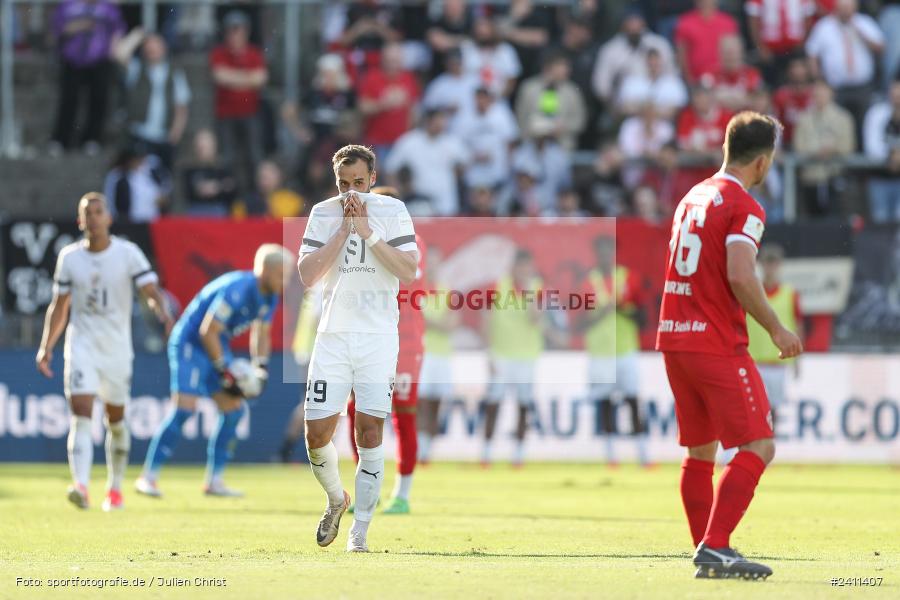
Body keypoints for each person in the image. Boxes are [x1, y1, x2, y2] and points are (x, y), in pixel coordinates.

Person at [656, 111, 803, 579]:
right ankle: (716, 546)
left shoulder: (691, 197)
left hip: (674, 337)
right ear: (762, 163)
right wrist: (777, 327)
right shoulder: (745, 206)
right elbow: (740, 273)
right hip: (715, 342)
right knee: (759, 444)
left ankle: (708, 550)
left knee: (700, 452)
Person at [297, 145, 418, 552]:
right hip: (332, 337)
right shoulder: (322, 213)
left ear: (372, 178)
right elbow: (308, 275)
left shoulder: (392, 211)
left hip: (378, 337)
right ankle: (336, 499)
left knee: (369, 432)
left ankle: (360, 532)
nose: (351, 192)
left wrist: (369, 232)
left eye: (359, 183)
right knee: (316, 434)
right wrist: (343, 232)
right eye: (343, 184)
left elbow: (408, 270)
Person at [36, 192, 173, 511]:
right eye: (88, 213)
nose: (94, 218)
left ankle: (114, 489)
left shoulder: (127, 253)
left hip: (116, 348)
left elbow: (151, 290)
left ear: (108, 218)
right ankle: (81, 486)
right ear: (80, 220)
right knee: (81, 414)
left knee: (116, 419)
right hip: (82, 343)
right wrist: (46, 347)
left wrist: (161, 311)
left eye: (99, 211)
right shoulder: (69, 257)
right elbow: (60, 306)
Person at [135, 244, 292, 498]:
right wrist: (224, 370)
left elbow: (261, 333)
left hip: (215, 346)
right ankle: (148, 477)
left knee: (234, 411)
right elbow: (207, 330)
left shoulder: (270, 297)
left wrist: (260, 367)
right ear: (265, 270)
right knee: (185, 408)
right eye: (282, 275)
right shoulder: (239, 289)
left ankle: (214, 481)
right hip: (191, 343)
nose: (285, 282)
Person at [345, 187, 426, 515]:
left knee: (403, 417)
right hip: (367, 339)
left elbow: (404, 276)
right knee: (357, 413)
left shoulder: (413, 244)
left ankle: (402, 495)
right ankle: (369, 490)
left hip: (405, 343)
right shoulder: (360, 241)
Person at [580, 236, 649, 467]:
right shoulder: (588, 282)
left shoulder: (629, 278)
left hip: (626, 349)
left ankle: (642, 454)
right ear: (595, 253)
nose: (605, 256)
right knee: (606, 403)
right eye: (601, 251)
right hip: (600, 352)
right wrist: (602, 312)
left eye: (609, 251)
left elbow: (643, 317)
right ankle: (611, 455)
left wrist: (621, 309)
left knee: (632, 400)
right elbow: (579, 323)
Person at [481, 249, 544, 467]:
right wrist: (488, 352)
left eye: (528, 267)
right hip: (501, 354)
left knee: (524, 404)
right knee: (494, 402)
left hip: (526, 356)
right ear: (513, 266)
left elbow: (536, 319)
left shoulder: (536, 288)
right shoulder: (497, 286)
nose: (524, 271)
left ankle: (518, 452)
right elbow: (486, 320)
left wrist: (528, 293)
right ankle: (486, 452)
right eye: (521, 266)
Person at [50, 0, 126, 155]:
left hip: (100, 59)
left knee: (98, 99)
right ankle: (61, 139)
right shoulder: (68, 5)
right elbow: (57, 29)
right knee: (69, 99)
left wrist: (114, 47)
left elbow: (118, 28)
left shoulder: (108, 7)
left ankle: (92, 139)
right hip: (73, 59)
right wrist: (79, 25)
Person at [113, 28, 190, 170]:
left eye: (156, 45)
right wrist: (138, 34)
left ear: (164, 47)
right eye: (148, 46)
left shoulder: (175, 72)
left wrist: (174, 136)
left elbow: (181, 107)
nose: (152, 49)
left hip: (163, 137)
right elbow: (119, 54)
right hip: (138, 134)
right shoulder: (136, 69)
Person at [746, 244, 803, 435]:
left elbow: (796, 325)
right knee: (751, 410)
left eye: (774, 263)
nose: (770, 268)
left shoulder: (790, 293)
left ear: (779, 265)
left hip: (778, 362)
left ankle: (769, 446)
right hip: (753, 361)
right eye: (767, 263)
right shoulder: (751, 292)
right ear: (761, 264)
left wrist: (798, 360)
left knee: (774, 410)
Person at [209, 10, 268, 193]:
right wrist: (247, 79)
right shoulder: (219, 53)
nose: (235, 35)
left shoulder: (254, 53)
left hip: (250, 113)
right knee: (228, 157)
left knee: (254, 156)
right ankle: (230, 195)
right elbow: (219, 76)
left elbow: (261, 79)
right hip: (226, 114)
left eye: (238, 30)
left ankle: (253, 195)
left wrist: (233, 79)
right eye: (231, 31)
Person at [805, 0, 884, 132]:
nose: (846, 11)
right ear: (836, 8)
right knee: (837, 125)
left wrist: (861, 32)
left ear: (855, 8)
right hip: (835, 86)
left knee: (864, 125)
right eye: (843, 8)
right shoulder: (824, 26)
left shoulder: (864, 23)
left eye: (849, 8)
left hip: (862, 86)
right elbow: (812, 53)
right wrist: (818, 80)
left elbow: (880, 48)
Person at [384, 109, 469, 216]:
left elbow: (465, 164)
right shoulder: (410, 141)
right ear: (428, 121)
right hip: (420, 202)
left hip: (447, 201)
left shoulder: (452, 142)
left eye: (443, 121)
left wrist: (456, 173)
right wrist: (396, 194)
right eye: (437, 121)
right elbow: (390, 168)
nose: (441, 125)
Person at [417, 246, 458, 464]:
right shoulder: (414, 289)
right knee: (419, 402)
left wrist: (428, 320)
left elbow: (451, 324)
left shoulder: (446, 291)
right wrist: (436, 322)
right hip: (421, 354)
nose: (431, 266)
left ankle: (426, 450)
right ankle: (417, 449)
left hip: (442, 355)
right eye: (428, 262)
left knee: (435, 404)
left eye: (435, 262)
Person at [357, 42, 421, 160]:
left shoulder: (408, 77)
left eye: (396, 60)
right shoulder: (372, 77)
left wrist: (411, 134)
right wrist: (383, 104)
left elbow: (413, 108)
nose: (393, 64)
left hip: (402, 142)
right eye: (389, 60)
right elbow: (363, 107)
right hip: (377, 141)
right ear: (383, 60)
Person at [515, 50, 587, 151]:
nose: (567, 70)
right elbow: (521, 117)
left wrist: (563, 128)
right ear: (548, 67)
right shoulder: (529, 88)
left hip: (561, 145)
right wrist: (533, 131)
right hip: (531, 145)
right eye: (561, 66)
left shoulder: (572, 91)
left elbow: (580, 121)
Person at [674, 0, 739, 85]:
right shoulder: (685, 22)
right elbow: (681, 54)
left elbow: (735, 52)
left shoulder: (728, 22)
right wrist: (690, 81)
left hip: (723, 82)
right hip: (696, 82)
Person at [863, 81, 900, 223]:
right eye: (895, 91)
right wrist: (892, 154)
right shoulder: (877, 113)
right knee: (880, 222)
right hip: (880, 178)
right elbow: (871, 146)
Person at [183, 129, 237, 217]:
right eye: (200, 146)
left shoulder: (223, 167)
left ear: (214, 146)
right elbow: (188, 193)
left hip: (219, 209)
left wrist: (216, 187)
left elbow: (231, 187)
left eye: (206, 146)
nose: (202, 149)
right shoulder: (190, 169)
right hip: (197, 210)